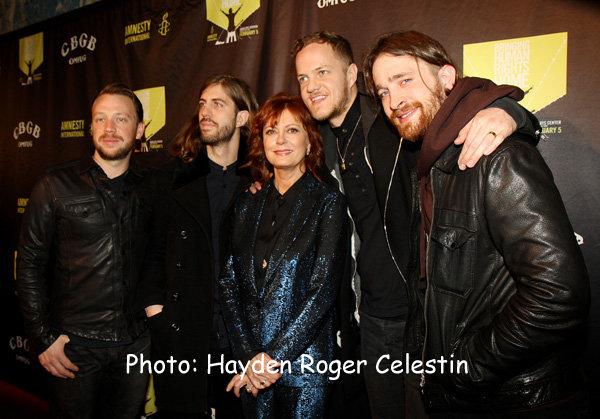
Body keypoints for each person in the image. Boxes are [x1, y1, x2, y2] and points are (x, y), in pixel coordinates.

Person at [291, 31, 536, 419]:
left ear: (352, 74)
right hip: (370, 316)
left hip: (421, 315)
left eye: (323, 72)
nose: (312, 86)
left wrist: (510, 113)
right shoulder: (318, 143)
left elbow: (457, 110)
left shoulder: (395, 119)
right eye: (303, 78)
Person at [363, 30, 590, 417]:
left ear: (446, 77)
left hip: (515, 397)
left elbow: (559, 295)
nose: (393, 100)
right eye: (383, 91)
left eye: (404, 80)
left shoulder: (495, 155)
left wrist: (467, 367)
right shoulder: (431, 159)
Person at [16, 83, 155, 418]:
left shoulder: (155, 186)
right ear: (90, 127)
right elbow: (29, 263)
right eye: (100, 119)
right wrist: (42, 338)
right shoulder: (54, 184)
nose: (109, 128)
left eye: (121, 119)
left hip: (135, 347)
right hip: (72, 348)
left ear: (139, 130)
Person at [220, 93, 348, 419]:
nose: (280, 140)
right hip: (252, 369)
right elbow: (229, 284)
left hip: (305, 369)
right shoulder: (246, 205)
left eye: (292, 130)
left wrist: (273, 358)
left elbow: (323, 292)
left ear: (310, 141)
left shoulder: (328, 202)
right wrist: (249, 356)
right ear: (261, 141)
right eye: (271, 131)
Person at [141, 74, 258, 418]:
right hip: (182, 336)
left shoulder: (260, 182)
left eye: (218, 104)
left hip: (239, 341)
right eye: (203, 104)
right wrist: (158, 316)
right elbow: (152, 253)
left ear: (241, 117)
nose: (205, 112)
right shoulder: (173, 179)